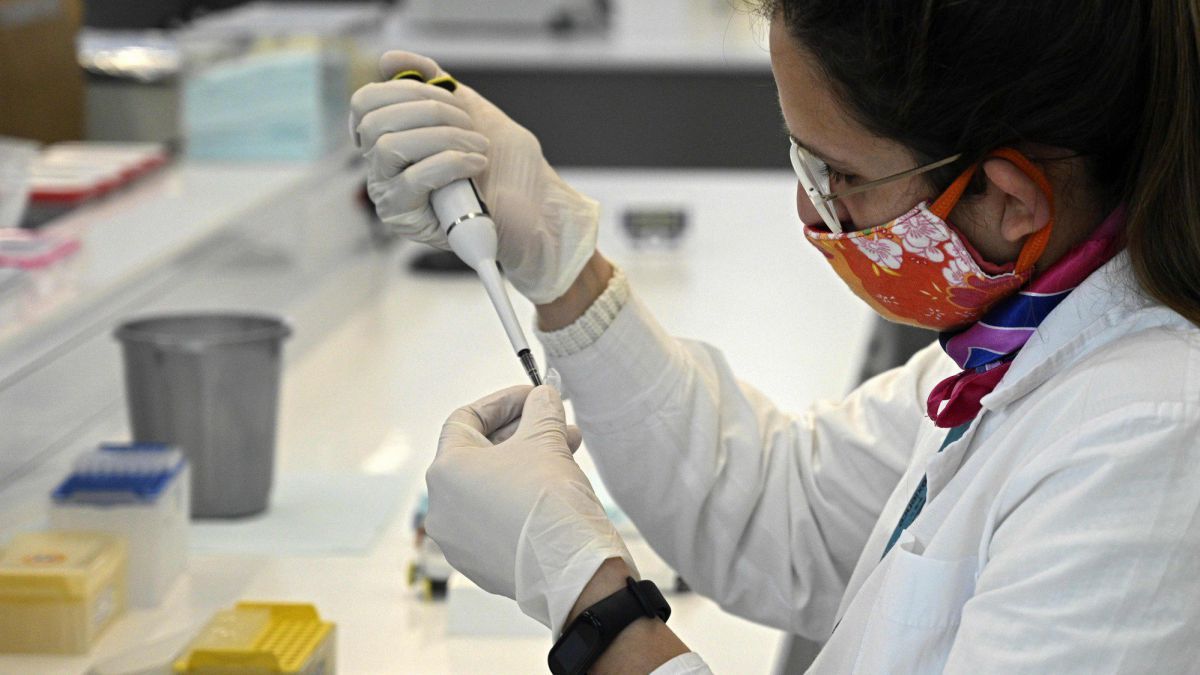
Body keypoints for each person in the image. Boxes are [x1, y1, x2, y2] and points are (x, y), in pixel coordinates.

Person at [349, 0, 1200, 671]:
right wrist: (561, 260)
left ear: (1011, 201)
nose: (810, 208)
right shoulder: (1024, 341)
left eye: (841, 174)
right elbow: (780, 508)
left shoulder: (1148, 442)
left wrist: (590, 604)